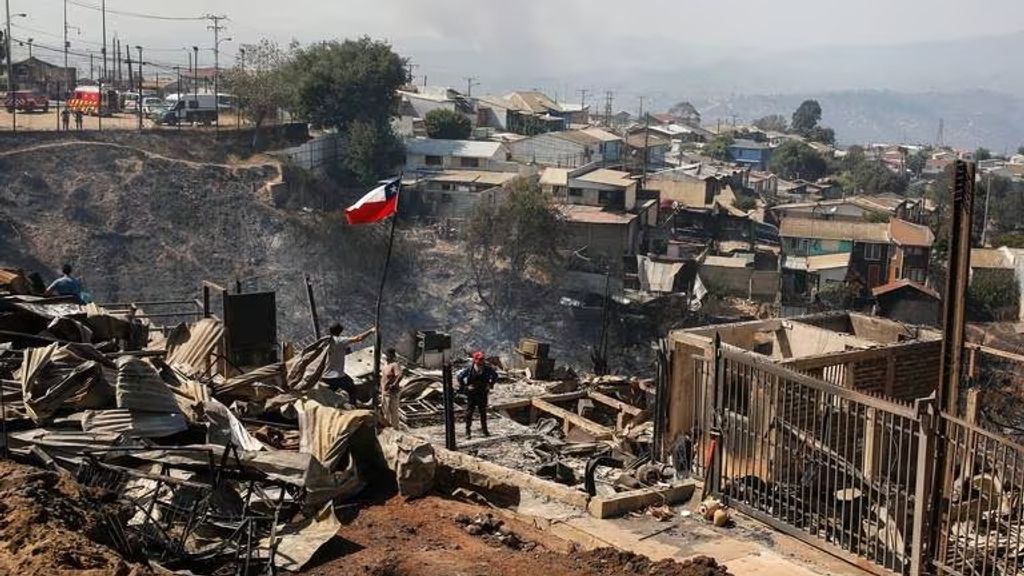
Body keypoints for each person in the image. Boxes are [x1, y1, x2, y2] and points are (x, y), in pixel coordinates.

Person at [322, 322, 374, 404]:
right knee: (352, 389)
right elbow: (358, 338)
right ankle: (353, 406)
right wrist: (371, 331)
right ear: (340, 331)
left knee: (331, 391)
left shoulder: (325, 341)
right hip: (337, 375)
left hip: (325, 375)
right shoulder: (341, 341)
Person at [457, 351, 498, 438]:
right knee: (469, 413)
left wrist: (490, 385)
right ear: (475, 360)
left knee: (483, 412)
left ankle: (485, 430)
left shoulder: (487, 369)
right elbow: (460, 377)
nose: (482, 361)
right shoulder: (470, 369)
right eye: (480, 359)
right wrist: (466, 387)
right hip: (472, 394)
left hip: (482, 393)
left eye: (483, 359)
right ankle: (468, 431)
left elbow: (495, 375)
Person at [381, 348, 403, 428]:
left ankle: (395, 428)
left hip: (392, 392)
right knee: (386, 411)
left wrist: (394, 384)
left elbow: (400, 375)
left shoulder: (394, 365)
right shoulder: (385, 365)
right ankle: (387, 428)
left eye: (387, 354)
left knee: (393, 412)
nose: (385, 356)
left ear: (391, 355)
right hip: (385, 392)